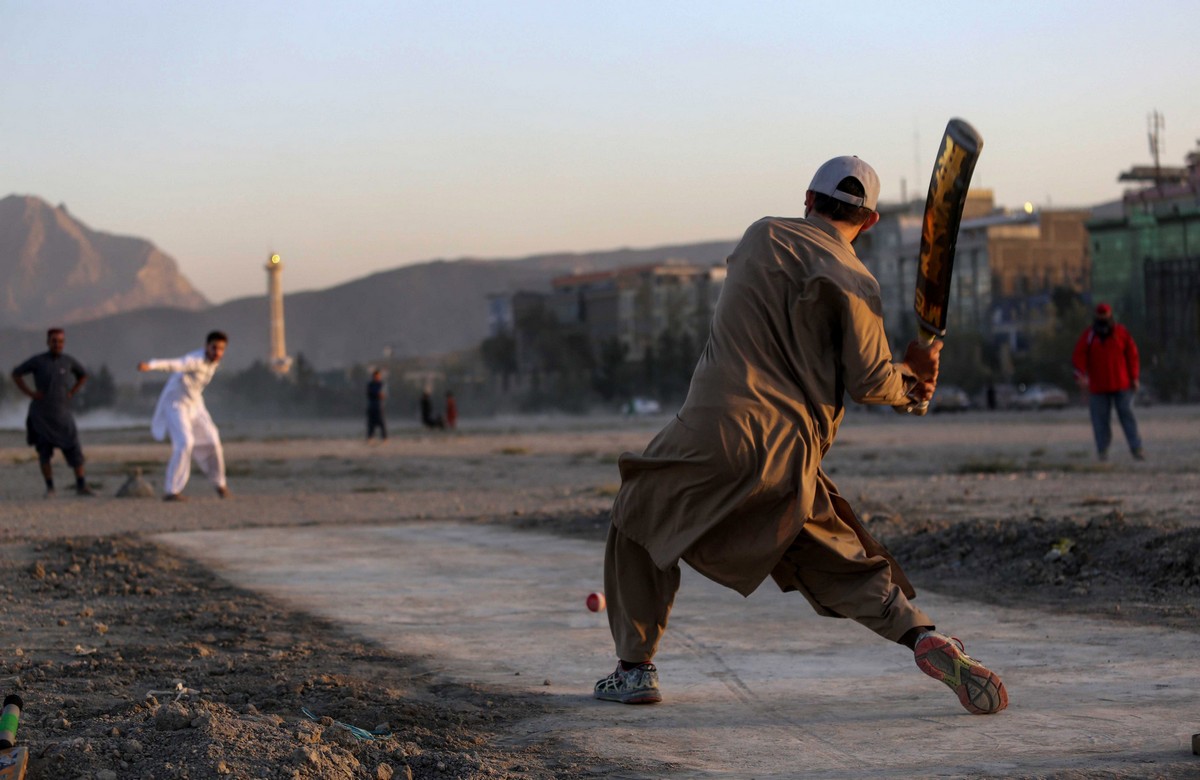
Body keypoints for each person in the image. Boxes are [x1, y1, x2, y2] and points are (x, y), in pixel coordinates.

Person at [594, 156, 1008, 716]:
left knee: (637, 519)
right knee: (836, 561)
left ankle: (635, 669)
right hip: (791, 455)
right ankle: (923, 636)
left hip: (714, 431)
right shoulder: (858, 281)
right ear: (872, 221)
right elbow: (870, 382)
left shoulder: (761, 236)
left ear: (808, 200)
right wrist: (911, 376)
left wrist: (905, 374)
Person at [137, 331, 231, 501]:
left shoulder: (213, 362)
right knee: (184, 443)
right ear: (206, 347)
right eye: (214, 348)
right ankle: (171, 491)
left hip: (195, 404)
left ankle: (220, 484)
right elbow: (175, 364)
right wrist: (151, 365)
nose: (217, 352)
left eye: (221, 349)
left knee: (213, 440)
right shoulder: (195, 360)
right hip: (176, 404)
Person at [11, 328, 94, 497]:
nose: (58, 344)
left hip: (63, 414)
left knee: (75, 450)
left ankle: (81, 485)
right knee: (44, 454)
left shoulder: (68, 361)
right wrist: (30, 393)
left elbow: (83, 375)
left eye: (61, 341)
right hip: (41, 416)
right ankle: (50, 488)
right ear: (48, 342)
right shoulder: (38, 361)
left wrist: (71, 392)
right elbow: (16, 373)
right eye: (54, 341)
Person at [1072, 302, 1143, 461]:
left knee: (1127, 414)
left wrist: (1134, 377)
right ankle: (1102, 450)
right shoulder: (1089, 336)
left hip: (1122, 384)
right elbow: (1079, 356)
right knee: (1100, 420)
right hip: (1098, 387)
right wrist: (1080, 376)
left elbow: (1132, 356)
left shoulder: (1121, 333)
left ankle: (1136, 448)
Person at [366, 370, 387, 441]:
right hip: (371, 406)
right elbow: (369, 394)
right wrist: (377, 394)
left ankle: (384, 437)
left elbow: (383, 395)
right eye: (375, 376)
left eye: (378, 376)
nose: (376, 378)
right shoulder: (370, 384)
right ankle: (370, 437)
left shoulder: (381, 384)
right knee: (371, 423)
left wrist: (378, 394)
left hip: (379, 406)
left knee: (381, 422)